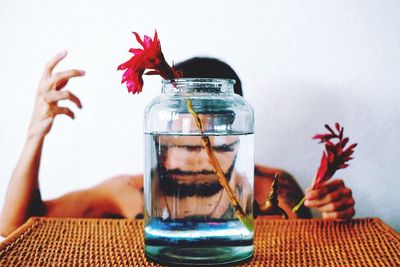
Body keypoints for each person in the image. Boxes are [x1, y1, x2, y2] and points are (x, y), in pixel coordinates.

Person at [0, 52, 355, 237]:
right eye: (187, 124)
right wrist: (35, 132)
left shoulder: (271, 186)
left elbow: (306, 249)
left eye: (215, 124)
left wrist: (330, 215)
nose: (200, 140)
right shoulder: (132, 192)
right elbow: (16, 227)